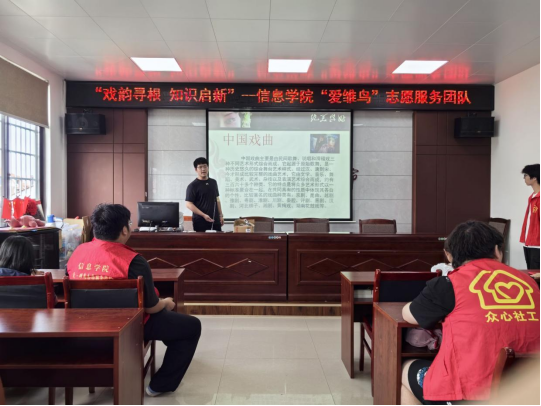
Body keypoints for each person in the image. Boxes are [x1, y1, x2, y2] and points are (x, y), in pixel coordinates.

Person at [67, 204, 201, 397]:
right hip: (128, 326)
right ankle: (159, 385)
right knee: (191, 327)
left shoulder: (78, 252)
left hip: (83, 324)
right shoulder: (134, 261)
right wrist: (166, 302)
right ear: (124, 230)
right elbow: (151, 308)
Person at [401, 221, 540, 405]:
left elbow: (410, 316)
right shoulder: (531, 283)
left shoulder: (448, 285)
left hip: (469, 396)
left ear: (449, 255)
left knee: (406, 368)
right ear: (497, 250)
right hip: (528, 393)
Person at [186, 157, 224, 233]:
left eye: (205, 166)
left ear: (208, 167)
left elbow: (217, 199)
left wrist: (220, 215)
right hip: (200, 221)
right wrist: (203, 215)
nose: (203, 169)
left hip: (215, 220)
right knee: (202, 240)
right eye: (200, 167)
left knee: (218, 240)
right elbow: (188, 204)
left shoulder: (213, 182)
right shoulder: (192, 186)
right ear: (196, 169)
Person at [521, 164, 540, 270]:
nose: (524, 178)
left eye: (526, 175)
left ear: (534, 178)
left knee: (536, 275)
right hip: (529, 242)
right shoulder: (532, 197)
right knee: (530, 273)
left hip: (537, 244)